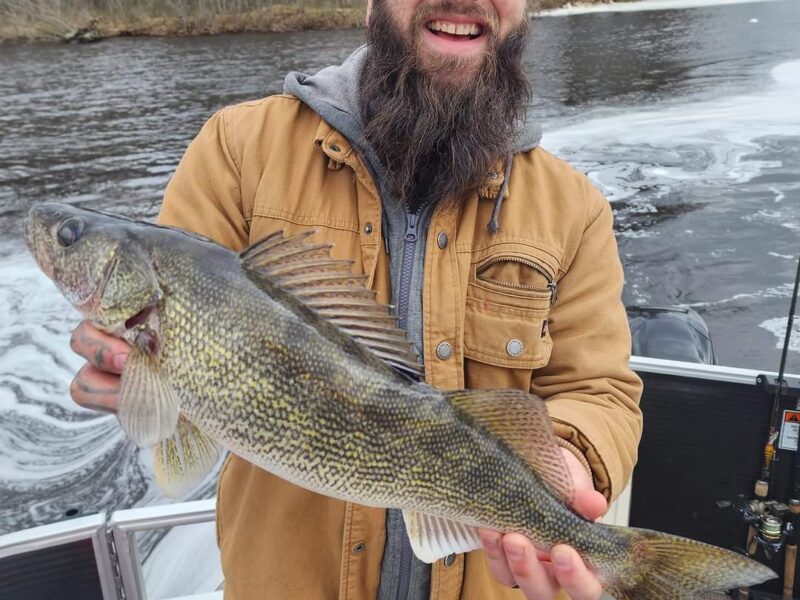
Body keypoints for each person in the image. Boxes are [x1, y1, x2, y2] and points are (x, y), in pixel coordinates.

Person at [68, 0, 643, 598]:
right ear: (370, 7)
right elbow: (190, 383)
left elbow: (599, 392)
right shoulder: (239, 149)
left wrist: (568, 466)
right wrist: (148, 386)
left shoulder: (573, 208)